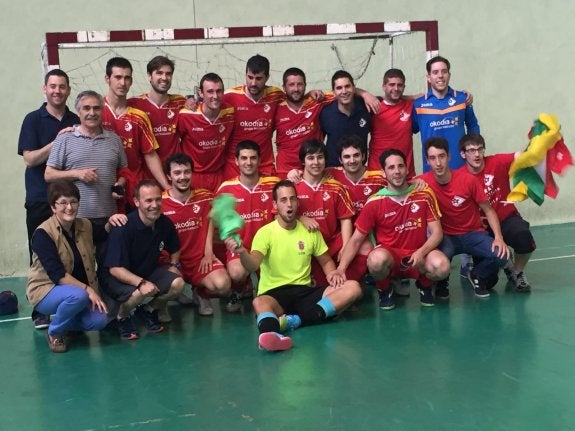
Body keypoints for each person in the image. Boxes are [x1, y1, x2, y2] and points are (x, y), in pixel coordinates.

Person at [224, 180, 362, 352]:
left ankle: (294, 321)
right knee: (259, 302)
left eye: (292, 199)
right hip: (274, 295)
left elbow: (326, 261)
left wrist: (332, 273)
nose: (289, 204)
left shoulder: (310, 231)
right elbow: (252, 266)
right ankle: (273, 336)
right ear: (275, 204)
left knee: (353, 288)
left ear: (297, 202)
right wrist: (242, 252)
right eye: (283, 200)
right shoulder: (265, 233)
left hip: (304, 292)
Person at [337, 149, 450, 309]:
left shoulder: (423, 194)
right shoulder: (374, 202)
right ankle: (385, 289)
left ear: (406, 169)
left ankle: (424, 286)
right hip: (390, 257)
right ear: (383, 173)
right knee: (376, 260)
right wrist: (341, 268)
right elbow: (356, 240)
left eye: (400, 166)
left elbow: (437, 233)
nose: (396, 172)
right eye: (391, 168)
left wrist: (421, 252)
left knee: (442, 266)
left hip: (418, 255)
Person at [18, 69, 80, 330]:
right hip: (39, 200)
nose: (57, 91)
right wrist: (57, 142)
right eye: (53, 86)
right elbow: (30, 158)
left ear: (67, 90)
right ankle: (40, 310)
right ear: (45, 89)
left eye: (62, 87)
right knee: (40, 254)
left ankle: (75, 302)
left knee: (74, 252)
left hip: (70, 199)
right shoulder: (33, 119)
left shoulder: (76, 119)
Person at [45, 90, 128, 271]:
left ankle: (108, 298)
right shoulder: (65, 139)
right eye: (86, 108)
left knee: (109, 267)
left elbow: (123, 172)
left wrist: (119, 184)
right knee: (81, 268)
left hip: (108, 216)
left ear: (102, 110)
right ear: (78, 112)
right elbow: (49, 175)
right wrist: (78, 174)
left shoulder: (114, 140)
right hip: (76, 218)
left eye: (97, 108)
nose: (92, 112)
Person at [27, 181, 113, 353]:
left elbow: (103, 233)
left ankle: (65, 323)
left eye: (74, 202)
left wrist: (112, 221)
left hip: (76, 292)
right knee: (78, 296)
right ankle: (54, 332)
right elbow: (58, 275)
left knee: (100, 320)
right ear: (53, 207)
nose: (69, 207)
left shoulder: (85, 225)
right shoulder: (43, 234)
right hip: (45, 290)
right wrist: (89, 290)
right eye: (63, 203)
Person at [419, 137, 510, 298]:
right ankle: (441, 282)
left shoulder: (468, 180)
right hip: (446, 237)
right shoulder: (422, 183)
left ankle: (477, 275)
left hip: (473, 234)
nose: (438, 163)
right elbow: (398, 187)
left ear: (449, 157)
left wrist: (498, 237)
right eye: (433, 158)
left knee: (502, 254)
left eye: (441, 156)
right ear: (427, 160)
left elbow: (488, 210)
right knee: (439, 262)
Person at [102, 179, 185, 340]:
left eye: (158, 199)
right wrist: (141, 283)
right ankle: (122, 317)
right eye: (148, 200)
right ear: (136, 202)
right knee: (139, 293)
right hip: (115, 277)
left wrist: (174, 264)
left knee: (178, 283)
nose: (154, 205)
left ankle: (147, 310)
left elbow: (175, 247)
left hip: (146, 271)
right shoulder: (124, 226)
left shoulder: (164, 222)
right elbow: (114, 269)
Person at [459, 133, 536, 292]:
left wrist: (541, 140)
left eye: (480, 149)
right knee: (487, 281)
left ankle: (517, 271)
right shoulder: (460, 177)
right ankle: (506, 264)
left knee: (524, 238)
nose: (477, 154)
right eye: (471, 150)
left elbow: (523, 155)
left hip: (506, 218)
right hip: (482, 230)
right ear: (463, 154)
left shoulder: (496, 162)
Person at [162, 153, 231, 316]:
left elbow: (212, 219)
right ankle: (162, 305)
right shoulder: (160, 202)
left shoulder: (205, 196)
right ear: (168, 176)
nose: (183, 177)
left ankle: (201, 293)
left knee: (223, 285)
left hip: (199, 260)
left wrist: (208, 252)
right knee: (169, 283)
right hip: (171, 262)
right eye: (177, 173)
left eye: (187, 172)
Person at [216, 140, 281, 312]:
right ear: (236, 161)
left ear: (260, 160)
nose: (248, 162)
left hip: (269, 247)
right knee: (236, 273)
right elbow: (217, 221)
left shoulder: (273, 184)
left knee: (277, 301)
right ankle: (241, 288)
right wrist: (227, 241)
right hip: (240, 248)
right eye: (243, 158)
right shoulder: (226, 189)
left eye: (253, 158)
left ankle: (262, 285)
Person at [294, 139, 368, 286]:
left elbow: (345, 219)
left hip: (333, 242)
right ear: (303, 161)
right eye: (310, 158)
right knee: (317, 284)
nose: (316, 162)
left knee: (365, 247)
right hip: (307, 245)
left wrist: (346, 246)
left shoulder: (336, 187)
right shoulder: (293, 185)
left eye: (320, 157)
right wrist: (301, 218)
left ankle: (346, 281)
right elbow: (279, 214)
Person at [101, 57, 169, 197]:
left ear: (131, 81)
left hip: (134, 188)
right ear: (107, 79)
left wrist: (167, 187)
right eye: (118, 77)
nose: (122, 83)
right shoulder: (95, 111)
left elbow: (149, 154)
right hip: (104, 187)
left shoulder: (139, 116)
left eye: (127, 78)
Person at [412, 56, 480, 172]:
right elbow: (408, 131)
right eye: (435, 72)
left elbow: (473, 126)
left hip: (461, 168)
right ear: (429, 77)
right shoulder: (419, 104)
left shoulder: (462, 99)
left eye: (444, 71)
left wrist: (473, 152)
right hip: (432, 171)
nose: (440, 75)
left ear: (449, 75)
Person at [222, 54, 285, 179]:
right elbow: (206, 106)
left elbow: (295, 100)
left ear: (267, 77)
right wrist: (189, 102)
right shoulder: (229, 97)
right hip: (235, 165)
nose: (253, 83)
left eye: (258, 78)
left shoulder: (276, 95)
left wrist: (310, 94)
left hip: (264, 165)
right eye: (250, 77)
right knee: (230, 198)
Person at [178, 72, 235, 192]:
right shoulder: (187, 115)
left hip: (219, 175)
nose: (215, 96)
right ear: (200, 93)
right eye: (210, 91)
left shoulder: (230, 113)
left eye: (219, 91)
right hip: (194, 176)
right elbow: (174, 143)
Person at [129, 56, 186, 165]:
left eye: (168, 74)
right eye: (159, 73)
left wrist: (192, 101)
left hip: (174, 173)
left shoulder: (180, 102)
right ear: (149, 76)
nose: (164, 77)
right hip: (146, 175)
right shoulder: (134, 105)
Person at [369, 68, 417, 178]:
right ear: (384, 86)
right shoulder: (373, 107)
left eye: (400, 85)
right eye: (392, 85)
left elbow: (429, 96)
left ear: (404, 87)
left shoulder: (411, 105)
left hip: (405, 173)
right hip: (377, 173)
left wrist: (464, 94)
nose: (396, 88)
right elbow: (351, 93)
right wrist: (365, 94)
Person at [320, 70, 372, 167]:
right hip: (333, 171)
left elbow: (393, 99)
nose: (344, 91)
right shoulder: (325, 113)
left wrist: (365, 94)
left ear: (354, 88)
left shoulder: (367, 107)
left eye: (347, 86)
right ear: (333, 92)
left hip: (359, 170)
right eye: (339, 88)